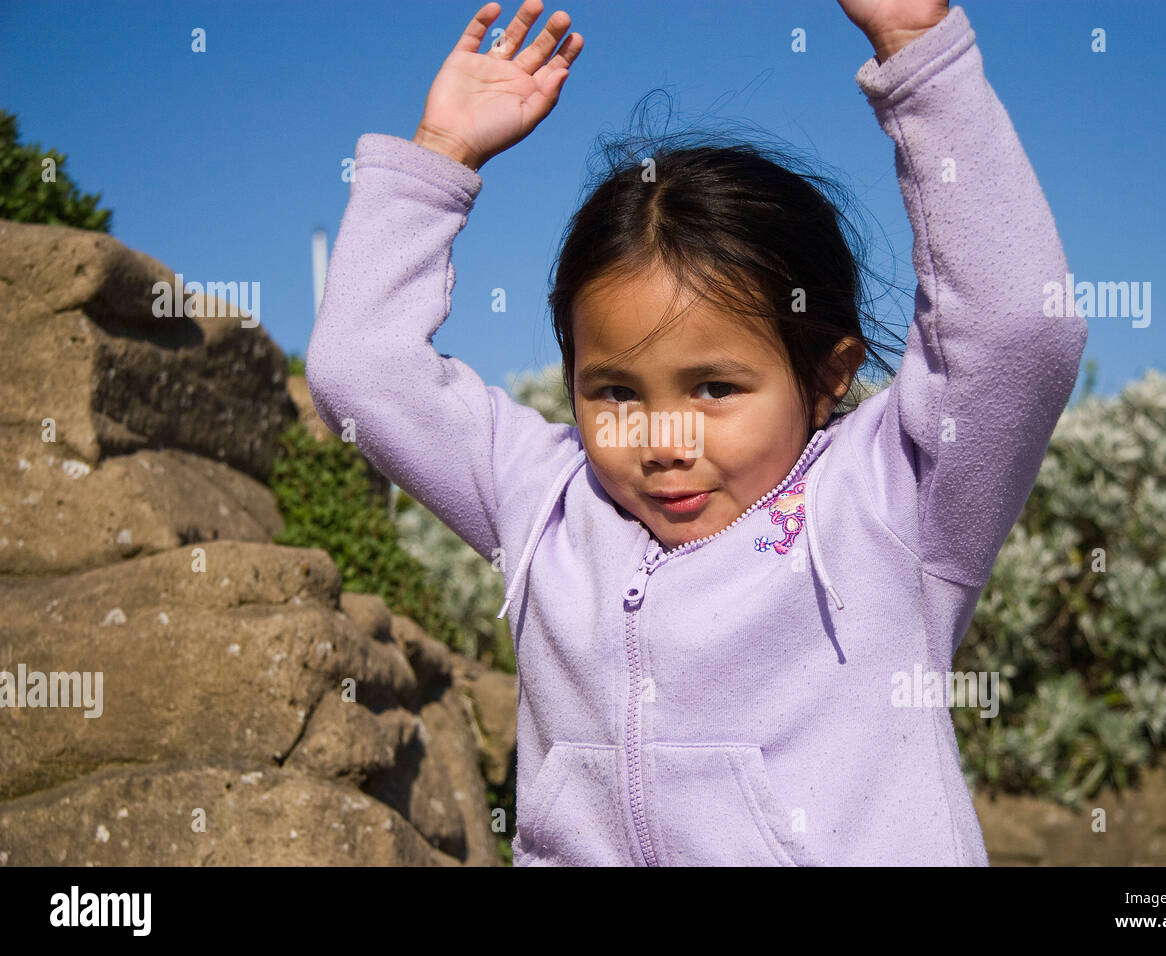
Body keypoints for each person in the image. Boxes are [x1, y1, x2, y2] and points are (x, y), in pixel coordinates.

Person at [306, 0, 1088, 865]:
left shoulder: (890, 503)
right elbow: (359, 371)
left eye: (715, 386)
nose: (664, 438)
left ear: (828, 376)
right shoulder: (547, 505)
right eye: (613, 392)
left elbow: (1020, 328)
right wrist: (440, 157)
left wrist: (919, 53)